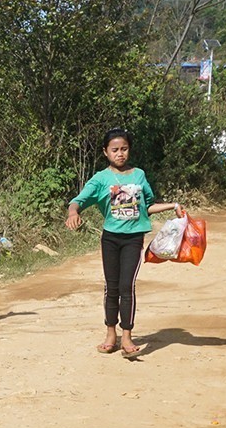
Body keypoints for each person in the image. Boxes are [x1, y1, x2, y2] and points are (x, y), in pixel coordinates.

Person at [65, 128, 183, 358]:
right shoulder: (100, 179)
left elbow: (147, 206)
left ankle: (127, 336)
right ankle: (111, 334)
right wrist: (73, 213)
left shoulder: (139, 175)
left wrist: (172, 205)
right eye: (115, 150)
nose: (120, 154)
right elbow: (77, 201)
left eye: (124, 149)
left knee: (127, 287)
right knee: (112, 288)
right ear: (105, 152)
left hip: (134, 239)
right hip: (110, 239)